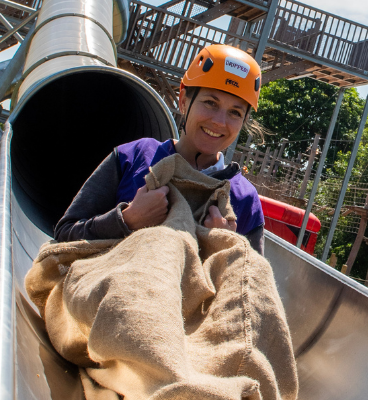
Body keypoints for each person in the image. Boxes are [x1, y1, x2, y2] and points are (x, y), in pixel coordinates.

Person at [54, 44, 267, 253]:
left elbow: (251, 283)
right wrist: (127, 220)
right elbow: (64, 234)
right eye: (210, 102)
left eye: (235, 113)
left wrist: (224, 249)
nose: (220, 122)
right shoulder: (135, 157)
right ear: (184, 101)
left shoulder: (244, 199)